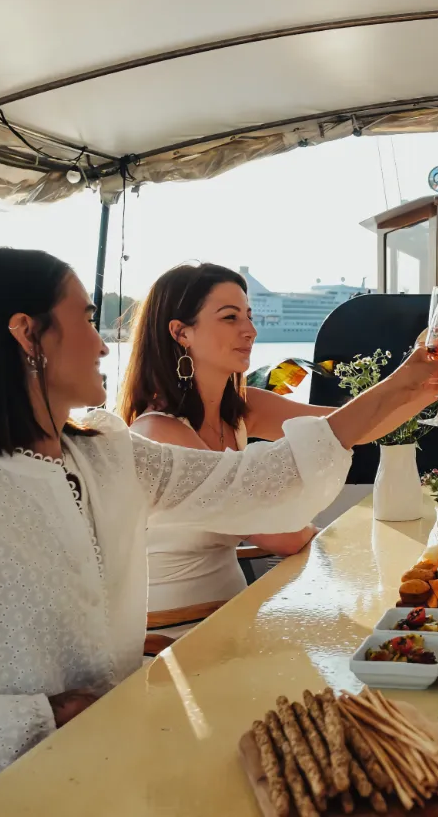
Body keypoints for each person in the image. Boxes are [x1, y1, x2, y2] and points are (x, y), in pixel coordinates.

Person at [0, 248, 438, 806]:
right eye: (85, 319)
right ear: (27, 334)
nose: (104, 343)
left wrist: (413, 381)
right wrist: (40, 717)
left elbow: (259, 478)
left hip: (124, 757)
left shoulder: (112, 456)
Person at [118, 264, 368, 618]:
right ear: (181, 332)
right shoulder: (160, 432)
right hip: (174, 640)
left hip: (230, 617)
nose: (250, 330)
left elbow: (350, 425)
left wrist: (428, 386)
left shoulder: (240, 409)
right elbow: (284, 537)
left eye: (248, 316)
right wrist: (350, 540)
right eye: (230, 317)